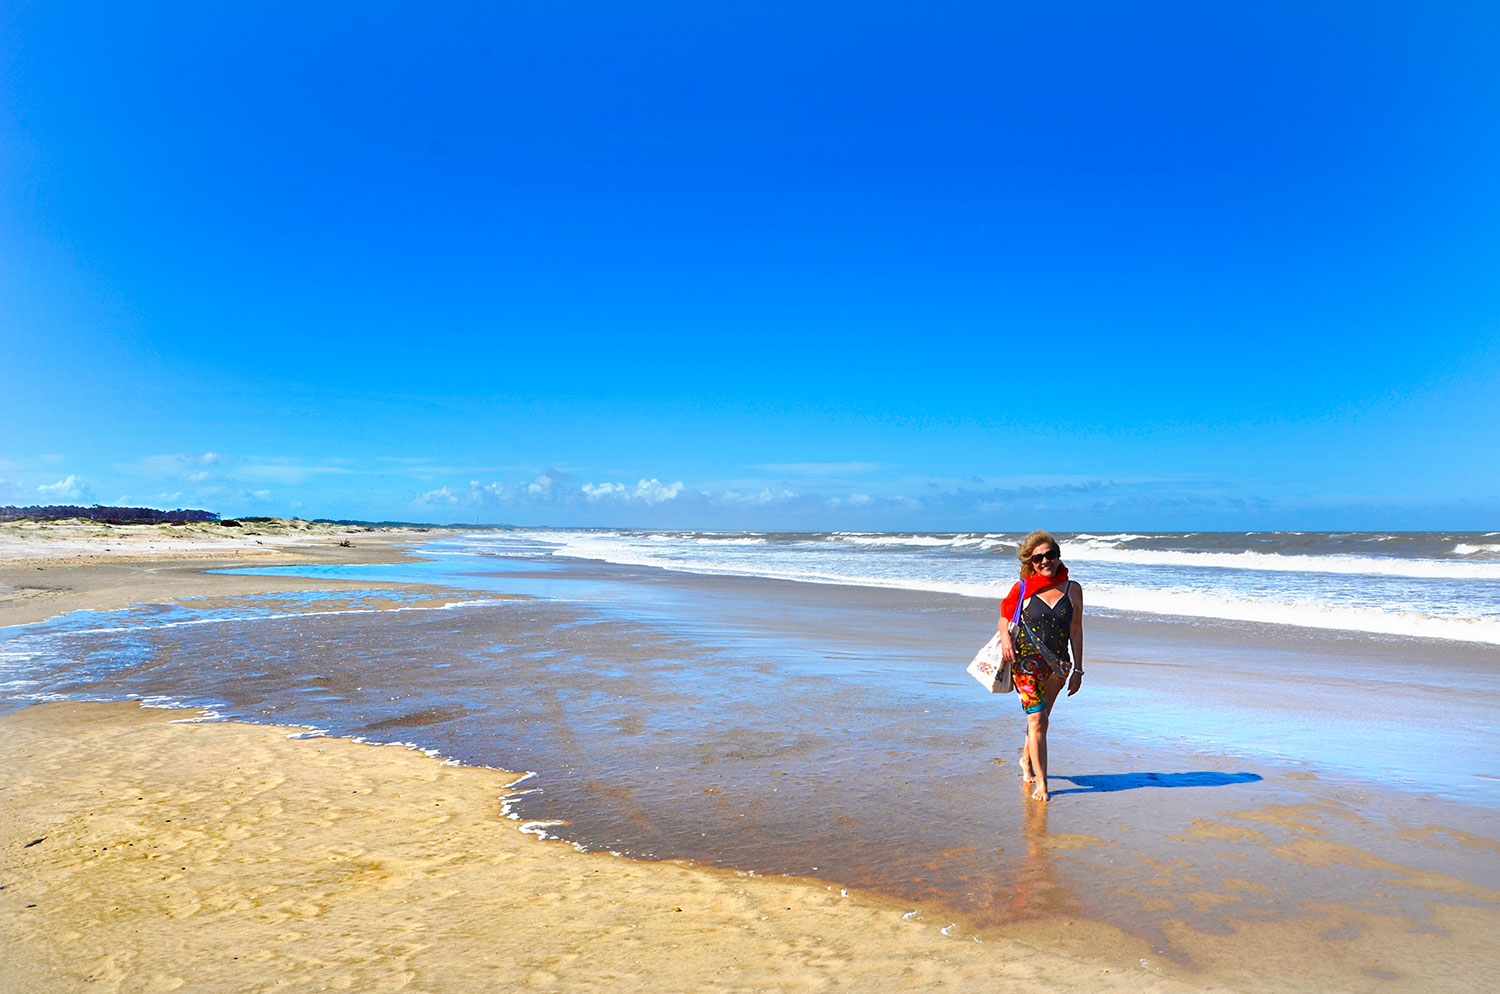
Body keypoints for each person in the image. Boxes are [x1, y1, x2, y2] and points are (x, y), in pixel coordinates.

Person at [997, 530, 1084, 802]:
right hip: (1025, 664)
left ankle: (1026, 760)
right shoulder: (1022, 588)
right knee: (1036, 720)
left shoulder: (1073, 589)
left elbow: (1076, 630)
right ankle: (1042, 784)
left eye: (1050, 555)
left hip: (1058, 667)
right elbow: (1004, 618)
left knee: (1041, 722)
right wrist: (1005, 641)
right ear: (1031, 563)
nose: (1045, 561)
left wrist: (1078, 670)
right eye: (1038, 558)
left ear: (1058, 556)